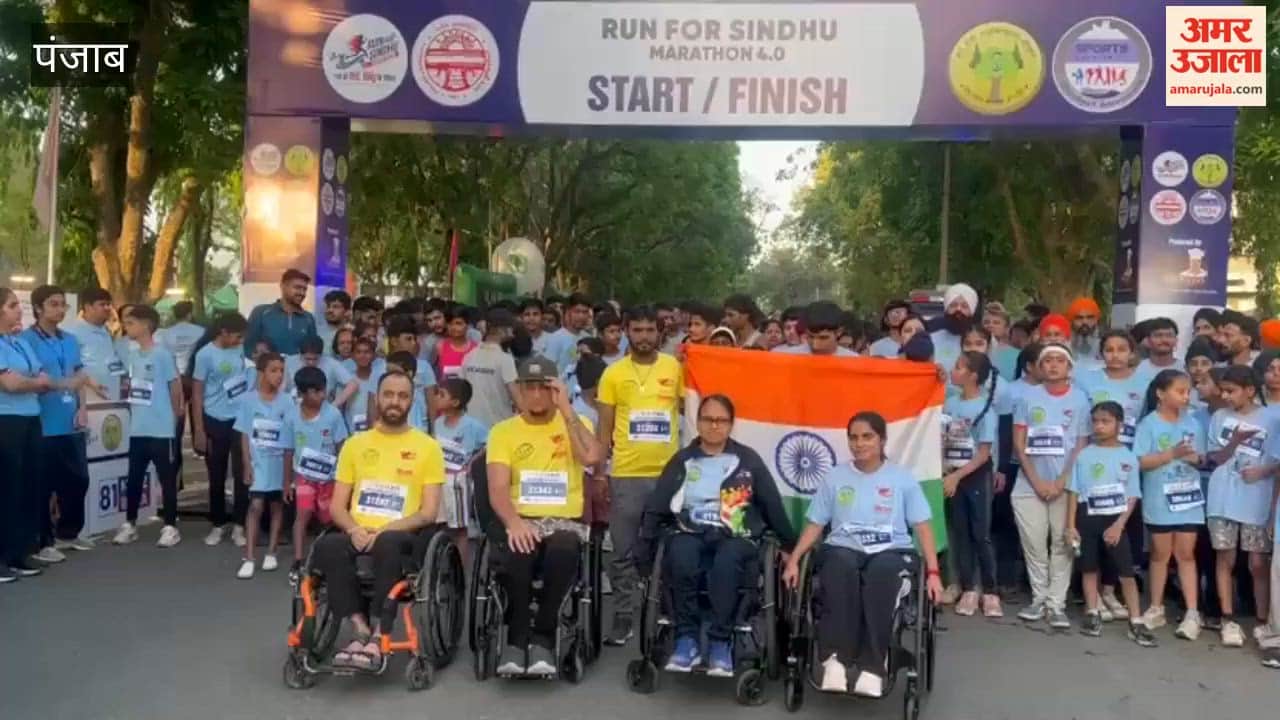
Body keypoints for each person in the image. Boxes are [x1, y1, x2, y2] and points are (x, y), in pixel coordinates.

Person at [783, 412, 943, 697]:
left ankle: (872, 666)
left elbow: (923, 526)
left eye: (867, 436)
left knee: (881, 575)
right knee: (838, 569)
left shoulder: (902, 478)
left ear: (882, 440)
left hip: (891, 550)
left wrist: (933, 573)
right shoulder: (835, 476)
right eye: (854, 437)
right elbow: (816, 523)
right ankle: (835, 661)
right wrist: (794, 560)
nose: (859, 443)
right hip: (843, 548)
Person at [637, 394, 797, 675]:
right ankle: (686, 639)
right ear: (697, 423)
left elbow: (772, 503)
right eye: (708, 419)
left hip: (736, 534)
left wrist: (789, 545)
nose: (714, 426)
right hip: (690, 529)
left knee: (727, 561)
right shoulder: (684, 459)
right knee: (681, 555)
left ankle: (720, 641)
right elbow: (658, 503)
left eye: (721, 420)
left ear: (731, 425)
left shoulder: (747, 460)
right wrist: (645, 544)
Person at [312, 370, 446, 670]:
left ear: (412, 401)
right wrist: (355, 529)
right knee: (329, 545)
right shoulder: (355, 445)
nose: (395, 401)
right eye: (388, 394)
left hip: (402, 533)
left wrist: (384, 529)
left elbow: (428, 512)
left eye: (402, 395)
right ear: (377, 398)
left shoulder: (428, 447)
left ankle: (378, 633)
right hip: (357, 530)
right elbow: (337, 507)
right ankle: (358, 626)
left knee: (388, 543)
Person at [487, 356, 603, 676]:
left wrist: (567, 412)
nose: (537, 395)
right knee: (518, 551)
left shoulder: (577, 422)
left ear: (556, 389)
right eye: (530, 388)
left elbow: (592, 457)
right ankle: (517, 636)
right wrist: (513, 522)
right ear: (520, 392)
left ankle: (543, 635)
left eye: (544, 387)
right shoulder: (503, 432)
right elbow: (497, 487)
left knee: (564, 549)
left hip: (565, 521)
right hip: (522, 516)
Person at [598, 305, 684, 645]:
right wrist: (600, 474)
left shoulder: (674, 368)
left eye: (650, 330)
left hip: (669, 475)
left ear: (659, 333)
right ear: (626, 331)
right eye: (637, 330)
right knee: (622, 550)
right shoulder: (613, 375)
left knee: (672, 548)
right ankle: (623, 614)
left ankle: (667, 610)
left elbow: (690, 412)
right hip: (626, 474)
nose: (644, 336)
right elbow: (604, 431)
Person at [1012, 343, 1091, 628]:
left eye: (1060, 360)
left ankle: (1057, 604)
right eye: (1047, 361)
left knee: (1063, 543)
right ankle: (1039, 599)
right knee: (1034, 543)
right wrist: (1036, 480)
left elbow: (1081, 445)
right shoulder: (1026, 397)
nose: (1053, 365)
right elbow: (1019, 443)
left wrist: (1061, 481)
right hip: (1028, 484)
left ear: (1069, 367)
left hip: (1066, 486)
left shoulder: (1081, 400)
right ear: (1038, 367)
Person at [1065, 401, 1155, 646]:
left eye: (1105, 421)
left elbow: (1132, 495)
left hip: (1114, 519)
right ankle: (1092, 612)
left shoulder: (1128, 457)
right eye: (1095, 421)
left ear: (1119, 424)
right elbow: (1074, 491)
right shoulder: (1084, 454)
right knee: (1089, 568)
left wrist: (1119, 525)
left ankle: (1135, 620)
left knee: (1126, 571)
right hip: (1087, 517)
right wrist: (1070, 524)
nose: (1099, 426)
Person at [22, 286, 100, 561]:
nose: (59, 309)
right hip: (41, 421)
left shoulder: (70, 339)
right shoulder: (26, 340)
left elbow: (78, 374)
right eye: (53, 304)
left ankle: (68, 533)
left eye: (62, 305)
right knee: (42, 485)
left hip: (70, 421)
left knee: (78, 480)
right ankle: (43, 541)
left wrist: (83, 407)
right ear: (38, 308)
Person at [1204, 365, 1275, 648]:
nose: (1226, 396)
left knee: (1258, 563)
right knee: (1225, 558)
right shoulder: (1219, 417)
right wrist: (1233, 442)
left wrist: (1263, 471)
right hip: (1222, 498)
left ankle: (1262, 620)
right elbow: (1215, 458)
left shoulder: (1272, 417)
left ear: (1249, 390)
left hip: (1257, 500)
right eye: (1223, 391)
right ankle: (1227, 618)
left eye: (1232, 391)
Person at [1133, 369, 1207, 639]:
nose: (1185, 397)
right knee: (1159, 554)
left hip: (1188, 499)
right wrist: (1171, 454)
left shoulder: (1193, 424)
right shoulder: (1148, 425)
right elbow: (1140, 461)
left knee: (1186, 554)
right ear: (1161, 394)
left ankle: (1191, 612)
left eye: (1188, 392)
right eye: (1179, 391)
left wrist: (1194, 459)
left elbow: (1202, 458)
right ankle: (1156, 607)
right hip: (1159, 499)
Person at [111, 305, 183, 546]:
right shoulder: (131, 355)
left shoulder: (162, 355)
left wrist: (175, 416)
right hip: (138, 429)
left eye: (131, 323)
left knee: (167, 478)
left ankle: (170, 526)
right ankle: (129, 524)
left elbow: (175, 386)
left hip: (161, 429)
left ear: (146, 326)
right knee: (133, 478)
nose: (127, 327)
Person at [942, 351, 1001, 618]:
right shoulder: (951, 403)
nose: (953, 371)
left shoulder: (985, 408)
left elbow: (983, 453)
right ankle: (967, 587)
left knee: (981, 533)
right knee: (960, 532)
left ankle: (990, 590)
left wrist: (958, 476)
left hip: (974, 474)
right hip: (951, 471)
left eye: (958, 367)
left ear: (973, 375)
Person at [192, 312, 254, 547]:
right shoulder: (205, 354)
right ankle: (218, 524)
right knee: (216, 474)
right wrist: (199, 429)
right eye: (237, 336)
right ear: (224, 333)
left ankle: (240, 525)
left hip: (240, 420)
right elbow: (197, 395)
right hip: (214, 419)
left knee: (242, 474)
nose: (240, 340)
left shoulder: (239, 349)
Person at [234, 352, 294, 579]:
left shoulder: (287, 401)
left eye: (281, 371)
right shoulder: (248, 401)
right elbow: (244, 434)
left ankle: (271, 552)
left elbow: (289, 437)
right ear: (262, 372)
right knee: (256, 505)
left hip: (279, 462)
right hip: (259, 462)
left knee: (277, 506)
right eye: (273, 370)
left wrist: (290, 474)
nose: (278, 375)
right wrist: (246, 464)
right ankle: (248, 557)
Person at [287, 365, 349, 578]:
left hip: (329, 478)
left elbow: (343, 447)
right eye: (316, 391)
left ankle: (327, 558)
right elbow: (287, 450)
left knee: (328, 519)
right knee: (302, 514)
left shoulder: (332, 415)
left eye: (323, 390)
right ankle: (297, 561)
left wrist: (343, 480)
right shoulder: (291, 416)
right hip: (304, 477)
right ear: (302, 393)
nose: (322, 395)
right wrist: (287, 482)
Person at [430, 378, 488, 562]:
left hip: (459, 482)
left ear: (455, 402)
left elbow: (489, 444)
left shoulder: (473, 426)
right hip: (439, 479)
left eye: (442, 395)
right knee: (440, 524)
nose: (436, 397)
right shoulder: (437, 424)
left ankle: (461, 566)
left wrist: (472, 463)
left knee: (459, 527)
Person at [462, 308, 519, 429]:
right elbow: (518, 399)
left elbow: (461, 393)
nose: (513, 332)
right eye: (511, 327)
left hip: (472, 429)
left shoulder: (468, 357)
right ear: (501, 330)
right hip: (499, 429)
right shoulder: (505, 360)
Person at [65, 286, 124, 402]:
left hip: (112, 395)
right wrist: (89, 382)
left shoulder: (106, 330)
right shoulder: (72, 332)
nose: (107, 308)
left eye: (109, 304)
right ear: (88, 307)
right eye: (102, 304)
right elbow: (70, 366)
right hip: (87, 397)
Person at [245, 269, 318, 358]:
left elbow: (313, 351)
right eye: (297, 288)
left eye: (304, 289)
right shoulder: (261, 312)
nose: (302, 293)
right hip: (266, 370)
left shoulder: (308, 318)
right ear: (283, 286)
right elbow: (248, 346)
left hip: (297, 371)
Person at [284, 335, 359, 408]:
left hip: (323, 409)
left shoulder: (330, 363)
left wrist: (334, 406)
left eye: (315, 359)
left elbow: (353, 384)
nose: (311, 363)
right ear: (299, 353)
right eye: (307, 359)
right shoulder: (289, 362)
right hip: (294, 409)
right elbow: (281, 388)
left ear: (321, 354)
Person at [773, 302, 857, 357]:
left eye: (823, 338)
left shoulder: (853, 362)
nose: (815, 345)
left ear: (839, 332)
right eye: (810, 337)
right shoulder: (788, 358)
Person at [930, 283, 979, 376]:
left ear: (971, 312)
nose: (958, 309)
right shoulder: (931, 338)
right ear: (946, 309)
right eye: (953, 305)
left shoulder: (982, 340)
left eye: (964, 306)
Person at [520, 297, 574, 373]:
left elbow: (570, 361)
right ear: (521, 317)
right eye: (527, 314)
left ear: (542, 316)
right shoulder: (516, 341)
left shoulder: (554, 339)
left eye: (535, 314)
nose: (531, 318)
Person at [343, 337, 383, 433]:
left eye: (367, 352)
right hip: (351, 429)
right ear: (352, 355)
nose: (363, 356)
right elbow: (341, 407)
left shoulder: (380, 379)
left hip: (376, 429)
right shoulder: (347, 379)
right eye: (358, 352)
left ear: (373, 355)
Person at [386, 350, 430, 432]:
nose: (389, 376)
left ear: (409, 374)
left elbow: (415, 430)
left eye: (394, 372)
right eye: (387, 372)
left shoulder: (413, 399)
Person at [437, 306, 477, 380]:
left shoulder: (476, 349)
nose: (453, 327)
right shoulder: (440, 346)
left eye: (458, 323)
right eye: (450, 323)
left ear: (467, 325)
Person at [1066, 298, 1103, 372]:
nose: (1084, 322)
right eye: (1079, 318)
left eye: (1090, 317)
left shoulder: (1106, 345)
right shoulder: (1064, 347)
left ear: (1096, 320)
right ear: (1071, 321)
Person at [317, 290, 351, 354]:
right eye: (328, 306)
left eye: (336, 307)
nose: (330, 310)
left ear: (347, 312)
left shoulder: (353, 334)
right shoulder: (316, 333)